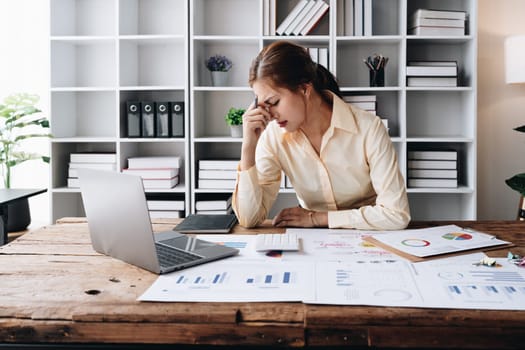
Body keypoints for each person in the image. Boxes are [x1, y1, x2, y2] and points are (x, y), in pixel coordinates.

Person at [232, 41, 410, 230]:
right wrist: (248, 147)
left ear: (304, 89)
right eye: (262, 105)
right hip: (313, 244)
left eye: (274, 102)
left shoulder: (368, 128)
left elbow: (396, 215)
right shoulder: (273, 137)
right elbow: (249, 220)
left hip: (370, 238)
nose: (270, 113)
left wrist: (317, 218)